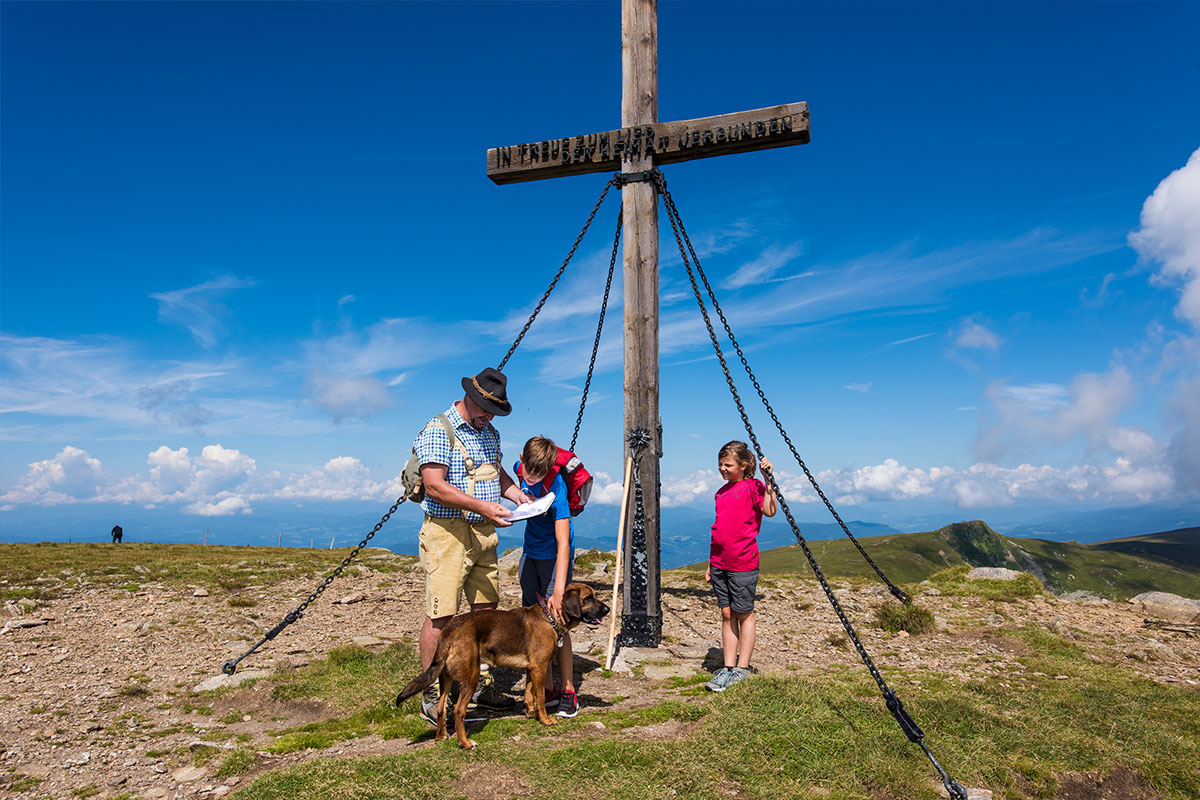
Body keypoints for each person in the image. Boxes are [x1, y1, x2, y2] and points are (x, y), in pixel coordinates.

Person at [412, 367, 531, 724]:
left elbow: (497, 474)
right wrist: (483, 507)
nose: (489, 416)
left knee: (486, 612)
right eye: (485, 409)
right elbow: (434, 485)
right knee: (442, 614)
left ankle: (480, 685)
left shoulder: (489, 432)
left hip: (483, 533)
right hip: (447, 533)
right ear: (471, 398)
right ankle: (433, 693)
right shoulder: (438, 430)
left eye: (494, 411)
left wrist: (518, 498)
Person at [515, 436, 580, 717]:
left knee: (559, 622)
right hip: (530, 554)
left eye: (539, 473)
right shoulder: (520, 467)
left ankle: (568, 691)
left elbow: (563, 543)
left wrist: (559, 590)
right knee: (533, 621)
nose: (531, 476)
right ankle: (547, 688)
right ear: (523, 460)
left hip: (554, 557)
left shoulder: (556, 486)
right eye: (529, 470)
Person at [704, 441, 777, 692]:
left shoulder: (753, 486)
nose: (722, 469)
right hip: (720, 562)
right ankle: (727, 667)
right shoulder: (720, 493)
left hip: (743, 562)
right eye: (720, 465)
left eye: (728, 465)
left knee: (743, 612)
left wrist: (770, 483)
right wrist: (711, 563)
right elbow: (718, 531)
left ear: (743, 466)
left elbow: (769, 510)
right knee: (726, 614)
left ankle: (742, 668)